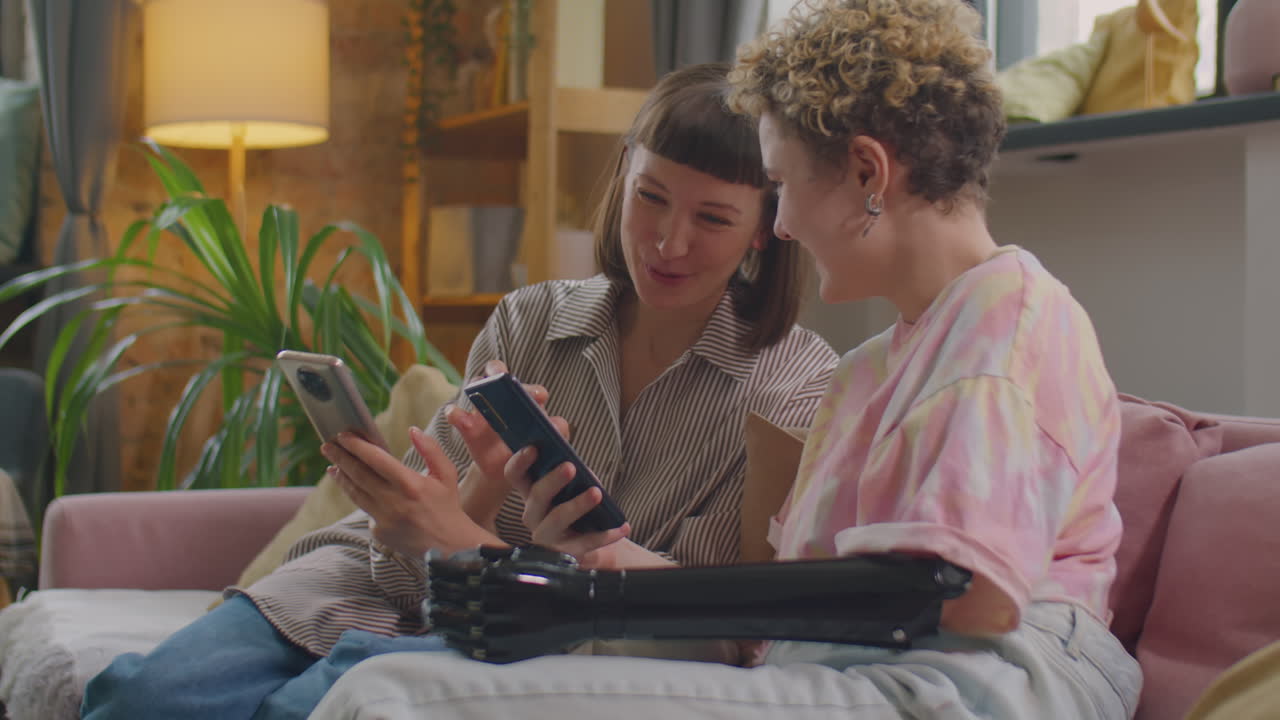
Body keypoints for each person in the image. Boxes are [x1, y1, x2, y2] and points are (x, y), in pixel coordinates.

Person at [305, 1, 1144, 719]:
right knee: (396, 674)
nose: (776, 229)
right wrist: (599, 564)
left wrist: (596, 599)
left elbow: (965, 598)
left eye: (780, 188)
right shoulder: (871, 372)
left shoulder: (1005, 326)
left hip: (969, 686)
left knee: (392, 700)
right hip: (840, 670)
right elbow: (769, 628)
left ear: (866, 174)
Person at [78, 62, 838, 720]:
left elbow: (717, 621)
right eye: (650, 198)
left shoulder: (792, 388)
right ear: (622, 181)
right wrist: (464, 496)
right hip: (367, 585)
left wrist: (473, 541)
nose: (669, 242)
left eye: (712, 218)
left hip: (512, 638)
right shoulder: (532, 317)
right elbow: (410, 548)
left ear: (764, 231)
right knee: (134, 699)